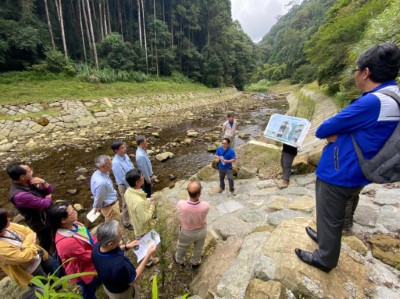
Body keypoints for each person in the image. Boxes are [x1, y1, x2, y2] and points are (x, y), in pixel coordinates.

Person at [295, 43, 400, 272]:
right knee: (333, 214)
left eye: (356, 69)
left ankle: (325, 258)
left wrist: (340, 131)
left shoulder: (371, 102)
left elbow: (324, 129)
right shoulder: (393, 95)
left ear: (366, 72)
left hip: (341, 170)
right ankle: (324, 237)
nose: (355, 74)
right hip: (362, 167)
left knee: (330, 214)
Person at [91, 220, 156, 299]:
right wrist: (148, 255)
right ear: (110, 244)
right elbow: (133, 279)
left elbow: (113, 249)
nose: (121, 238)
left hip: (109, 285)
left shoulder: (97, 247)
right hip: (122, 293)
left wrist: (126, 246)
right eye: (120, 236)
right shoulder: (118, 265)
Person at [48, 202, 99, 298]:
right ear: (63, 220)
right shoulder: (66, 243)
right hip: (84, 270)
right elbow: (84, 256)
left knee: (94, 282)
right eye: (72, 212)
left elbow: (89, 236)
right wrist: (102, 251)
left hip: (93, 258)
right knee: (89, 289)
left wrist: (97, 245)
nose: (76, 212)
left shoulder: (75, 224)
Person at [0, 208, 53, 290]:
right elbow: (23, 257)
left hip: (39, 255)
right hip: (30, 269)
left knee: (55, 272)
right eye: (6, 219)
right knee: (46, 287)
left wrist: (24, 247)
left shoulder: (10, 226)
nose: (9, 219)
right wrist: (31, 244)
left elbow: (29, 232)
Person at [6, 162, 54, 252]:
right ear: (22, 177)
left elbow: (49, 189)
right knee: (46, 243)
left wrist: (44, 182)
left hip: (47, 216)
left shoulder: (28, 182)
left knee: (53, 238)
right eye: (29, 171)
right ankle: (47, 259)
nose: (32, 172)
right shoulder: (20, 195)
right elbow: (44, 204)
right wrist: (48, 196)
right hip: (41, 223)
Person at [125, 168, 159, 266]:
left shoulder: (128, 191)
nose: (144, 176)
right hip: (142, 226)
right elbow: (145, 219)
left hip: (135, 221)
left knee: (140, 239)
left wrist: (148, 200)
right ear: (137, 182)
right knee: (145, 242)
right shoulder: (138, 202)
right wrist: (152, 205)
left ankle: (145, 257)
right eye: (142, 176)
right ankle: (148, 261)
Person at [173, 181, 209, 269]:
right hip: (201, 231)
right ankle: (195, 263)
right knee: (199, 248)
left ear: (188, 193)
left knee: (182, 247)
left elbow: (183, 206)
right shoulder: (205, 205)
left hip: (186, 232)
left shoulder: (181, 204)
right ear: (200, 193)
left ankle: (179, 260)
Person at [111, 140, 135, 230]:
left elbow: (131, 166)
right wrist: (131, 187)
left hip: (132, 181)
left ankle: (133, 215)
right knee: (126, 203)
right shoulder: (116, 163)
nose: (125, 149)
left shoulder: (125, 156)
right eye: (122, 148)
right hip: (124, 185)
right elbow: (122, 178)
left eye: (124, 147)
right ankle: (126, 223)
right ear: (116, 151)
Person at [91, 155, 121, 222]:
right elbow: (99, 196)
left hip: (108, 205)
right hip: (110, 207)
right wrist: (96, 206)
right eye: (110, 164)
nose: (112, 165)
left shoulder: (97, 173)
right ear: (103, 166)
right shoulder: (101, 182)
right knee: (114, 226)